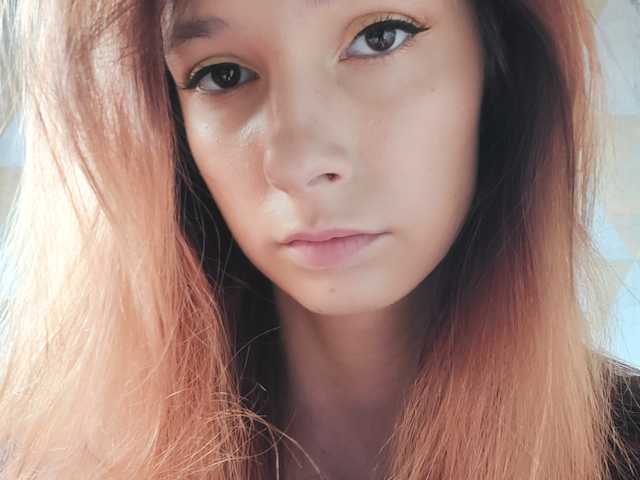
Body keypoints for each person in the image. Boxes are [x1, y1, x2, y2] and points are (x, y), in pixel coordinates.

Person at [0, 0, 638, 478]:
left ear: (498, 65)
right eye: (222, 74)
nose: (297, 160)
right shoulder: (49, 459)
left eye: (380, 37)